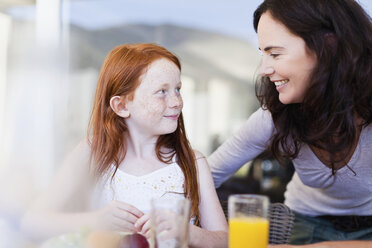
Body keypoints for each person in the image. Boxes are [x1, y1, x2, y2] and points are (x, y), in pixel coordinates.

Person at [21, 43, 228, 247]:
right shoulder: (91, 153)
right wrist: (96, 221)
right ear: (121, 106)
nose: (177, 102)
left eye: (177, 89)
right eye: (162, 92)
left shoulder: (192, 162)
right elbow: (32, 223)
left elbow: (227, 241)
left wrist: (190, 233)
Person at [208, 0, 372, 245]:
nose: (264, 69)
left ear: (327, 46)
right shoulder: (275, 115)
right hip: (304, 222)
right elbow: (207, 175)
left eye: (275, 54)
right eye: (262, 54)